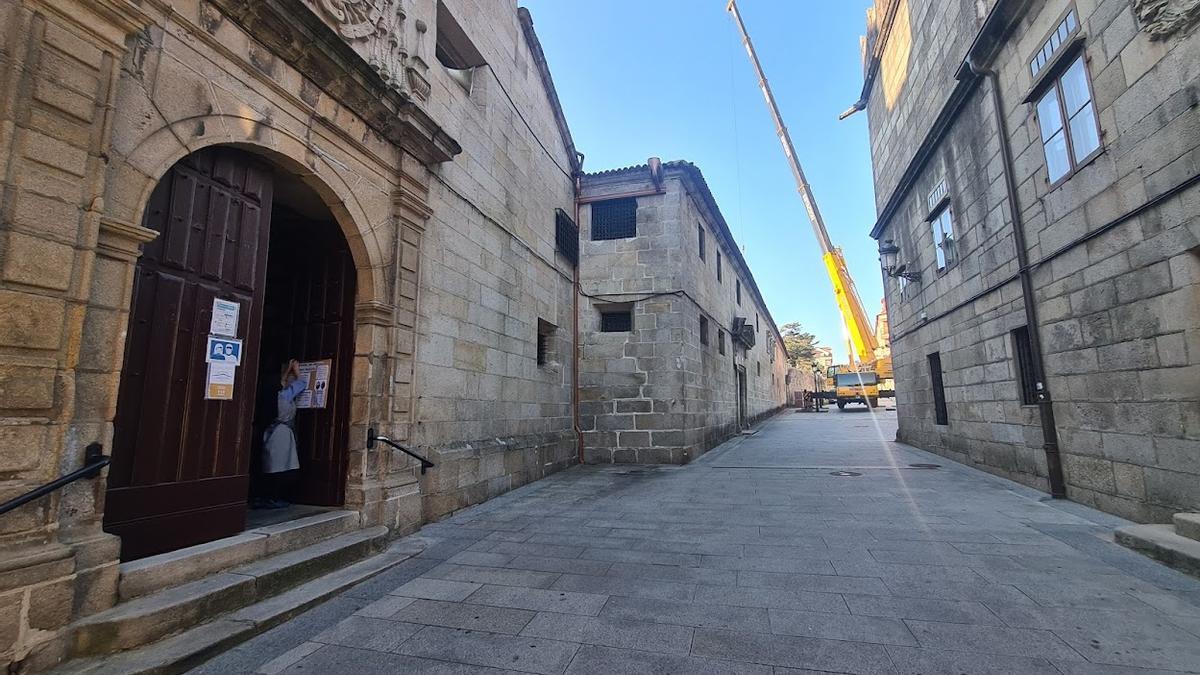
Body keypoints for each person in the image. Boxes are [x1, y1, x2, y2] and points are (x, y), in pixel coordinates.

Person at [258, 359, 306, 509]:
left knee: (270, 464)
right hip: (282, 434)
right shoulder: (284, 396)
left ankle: (266, 496)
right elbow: (301, 384)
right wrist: (297, 371)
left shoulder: (270, 396)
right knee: (281, 467)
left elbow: (282, 383)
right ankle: (275, 497)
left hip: (270, 432)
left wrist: (286, 371)